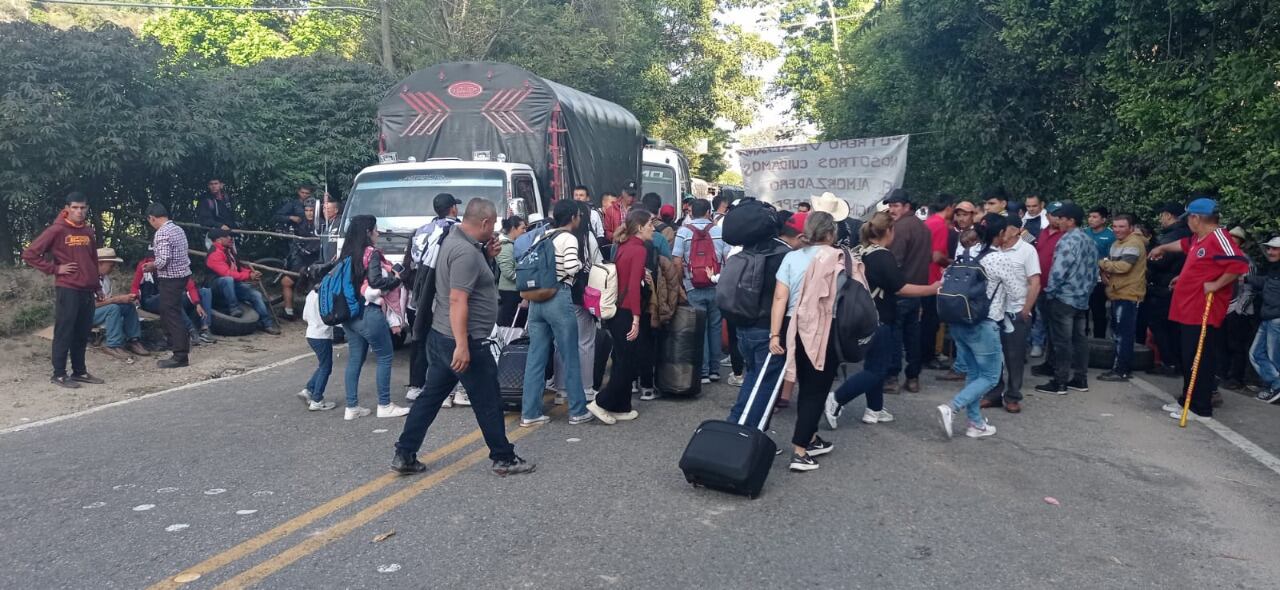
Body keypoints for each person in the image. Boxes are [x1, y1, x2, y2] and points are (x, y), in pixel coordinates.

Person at [392, 199, 536, 476]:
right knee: (488, 401)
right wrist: (462, 346)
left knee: (430, 397)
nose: (494, 228)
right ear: (483, 222)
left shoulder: (458, 241)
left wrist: (488, 257)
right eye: (492, 223)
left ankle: (405, 453)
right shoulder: (465, 254)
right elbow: (458, 299)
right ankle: (503, 457)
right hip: (465, 339)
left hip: (444, 335)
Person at [824, 212, 940, 429]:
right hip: (879, 318)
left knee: (874, 364)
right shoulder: (882, 256)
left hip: (858, 315)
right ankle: (837, 398)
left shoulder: (859, 251)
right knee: (878, 368)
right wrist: (932, 289)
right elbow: (901, 288)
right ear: (889, 231)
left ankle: (874, 409)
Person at [1148, 197, 1249, 421]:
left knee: (1199, 358)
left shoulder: (1219, 238)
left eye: (1189, 218)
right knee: (1187, 356)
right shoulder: (1198, 239)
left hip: (1203, 310)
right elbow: (1183, 247)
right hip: (1187, 308)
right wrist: (1164, 250)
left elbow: (1238, 264)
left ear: (1196, 218)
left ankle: (1201, 407)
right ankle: (1188, 399)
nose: (1188, 223)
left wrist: (1215, 284)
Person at [936, 214, 1025, 440]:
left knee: (975, 373)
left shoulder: (966, 252)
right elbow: (1017, 292)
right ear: (1001, 234)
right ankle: (952, 408)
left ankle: (976, 423)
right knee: (991, 376)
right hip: (984, 324)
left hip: (959, 321)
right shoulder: (999, 259)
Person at [770, 212, 841, 472]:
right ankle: (800, 450)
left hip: (792, 324)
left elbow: (780, 297)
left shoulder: (791, 257)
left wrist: (775, 334)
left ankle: (810, 437)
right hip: (825, 327)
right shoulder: (839, 259)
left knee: (804, 382)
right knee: (816, 388)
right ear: (831, 233)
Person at [519, 200, 594, 427]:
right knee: (569, 355)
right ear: (573, 217)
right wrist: (581, 265)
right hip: (559, 297)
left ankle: (530, 413)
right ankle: (578, 411)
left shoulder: (541, 236)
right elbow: (571, 266)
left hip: (536, 299)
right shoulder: (568, 238)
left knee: (536, 357)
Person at [726, 210, 802, 425]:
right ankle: (746, 437)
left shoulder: (751, 250)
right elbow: (783, 297)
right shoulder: (786, 257)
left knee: (753, 379)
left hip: (743, 325)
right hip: (768, 330)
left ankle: (736, 428)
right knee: (765, 386)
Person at [22, 192, 104, 387]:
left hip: (87, 289)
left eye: (83, 208)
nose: (79, 211)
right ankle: (58, 374)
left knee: (82, 332)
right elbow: (30, 254)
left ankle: (79, 371)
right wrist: (55, 269)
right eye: (75, 207)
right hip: (68, 288)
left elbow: (93, 260)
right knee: (64, 331)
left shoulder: (88, 231)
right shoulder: (57, 230)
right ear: (67, 208)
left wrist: (97, 286)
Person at [337, 215, 411, 421]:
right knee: (385, 356)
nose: (378, 233)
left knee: (355, 359)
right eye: (376, 230)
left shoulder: (346, 254)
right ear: (368, 232)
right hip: (369, 311)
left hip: (349, 314)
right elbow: (376, 282)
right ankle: (385, 404)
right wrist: (396, 281)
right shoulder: (371, 253)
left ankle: (352, 407)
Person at [587, 209, 654, 425]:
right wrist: (636, 317)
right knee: (626, 363)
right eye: (650, 224)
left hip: (617, 309)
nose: (653, 228)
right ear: (640, 227)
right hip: (626, 311)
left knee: (624, 359)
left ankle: (622, 406)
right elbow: (633, 286)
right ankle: (602, 402)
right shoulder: (639, 250)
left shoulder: (624, 246)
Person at [404, 193, 464, 406]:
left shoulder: (421, 230)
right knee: (448, 336)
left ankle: (415, 384)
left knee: (420, 336)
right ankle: (449, 388)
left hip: (420, 289)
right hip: (444, 287)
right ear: (452, 209)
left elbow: (411, 261)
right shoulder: (456, 229)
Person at [1035, 203, 1099, 395]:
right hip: (1082, 298)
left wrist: (1050, 291)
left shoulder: (1067, 241)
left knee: (1062, 341)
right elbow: (1094, 271)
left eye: (1062, 218)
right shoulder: (1090, 241)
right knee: (1080, 340)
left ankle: (1060, 381)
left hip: (1064, 298)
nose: (1059, 221)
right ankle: (1080, 378)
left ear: (1070, 220)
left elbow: (1058, 271)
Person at [979, 215, 1040, 413]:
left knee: (1014, 356)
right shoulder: (993, 251)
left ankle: (1013, 395)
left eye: (1006, 228)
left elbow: (1035, 282)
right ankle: (994, 393)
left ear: (1014, 230)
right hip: (994, 312)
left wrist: (1026, 309)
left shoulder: (1027, 250)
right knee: (993, 355)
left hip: (1016, 311)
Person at [552, 201, 604, 406]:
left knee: (561, 342)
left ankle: (561, 389)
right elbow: (597, 264)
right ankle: (586, 388)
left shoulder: (548, 235)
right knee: (585, 342)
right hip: (580, 295)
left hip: (553, 295)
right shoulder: (584, 236)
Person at [673, 198, 728, 383]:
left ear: (690, 212)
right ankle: (715, 369)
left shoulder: (683, 232)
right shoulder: (719, 231)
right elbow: (728, 258)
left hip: (692, 286)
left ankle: (702, 371)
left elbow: (677, 261)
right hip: (716, 285)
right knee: (715, 326)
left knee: (699, 328)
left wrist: (682, 283)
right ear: (708, 212)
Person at [883, 189, 931, 394]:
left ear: (906, 206)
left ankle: (893, 377)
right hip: (918, 289)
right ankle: (913, 377)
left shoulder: (900, 228)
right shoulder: (923, 227)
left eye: (895, 206)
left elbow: (896, 261)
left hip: (902, 289)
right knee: (912, 335)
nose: (891, 209)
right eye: (890, 206)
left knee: (896, 334)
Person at [1097, 213, 1147, 382]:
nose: (1117, 230)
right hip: (1117, 292)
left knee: (1124, 335)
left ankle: (1122, 370)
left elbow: (1124, 266)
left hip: (1129, 294)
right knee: (1118, 333)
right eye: (1115, 226)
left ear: (1131, 228)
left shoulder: (1133, 243)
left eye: (1122, 226)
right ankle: (1119, 368)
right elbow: (1113, 266)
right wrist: (1105, 270)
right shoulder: (1117, 243)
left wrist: (1101, 264)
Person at [1144, 202, 1191, 376]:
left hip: (1164, 287)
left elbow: (1160, 261)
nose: (1160, 219)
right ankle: (1176, 363)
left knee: (1161, 326)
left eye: (1162, 215)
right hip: (1176, 286)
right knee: (1173, 327)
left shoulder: (1172, 236)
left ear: (1169, 215)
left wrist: (1148, 257)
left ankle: (1170, 362)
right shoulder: (1187, 235)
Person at [144, 202, 193, 369]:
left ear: (152, 218)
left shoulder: (162, 233)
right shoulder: (178, 229)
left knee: (171, 313)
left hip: (170, 278)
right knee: (172, 311)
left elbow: (164, 260)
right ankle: (176, 345)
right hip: (182, 275)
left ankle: (180, 354)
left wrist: (152, 265)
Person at [205, 229, 281, 335]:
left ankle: (267, 324)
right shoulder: (214, 254)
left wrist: (251, 273)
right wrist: (248, 276)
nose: (231, 238)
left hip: (232, 285)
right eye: (227, 236)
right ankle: (234, 308)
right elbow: (227, 273)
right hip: (215, 287)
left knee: (256, 295)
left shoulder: (228, 250)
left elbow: (238, 269)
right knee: (227, 280)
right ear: (219, 240)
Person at [133, 249, 216, 346]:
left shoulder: (174, 266)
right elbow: (135, 286)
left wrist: (197, 303)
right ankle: (191, 330)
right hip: (152, 300)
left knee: (205, 292)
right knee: (170, 296)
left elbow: (190, 286)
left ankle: (205, 329)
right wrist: (136, 297)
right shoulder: (143, 266)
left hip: (173, 297)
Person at [92, 248, 150, 361]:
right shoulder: (87, 279)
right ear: (100, 263)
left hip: (100, 310)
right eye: (111, 265)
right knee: (112, 308)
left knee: (128, 306)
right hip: (85, 314)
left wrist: (124, 299)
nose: (113, 268)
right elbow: (90, 305)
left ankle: (133, 340)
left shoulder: (106, 279)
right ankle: (112, 345)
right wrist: (116, 299)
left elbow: (105, 299)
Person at [1030, 202, 1066, 365]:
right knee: (1039, 316)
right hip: (1040, 282)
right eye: (1053, 214)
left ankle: (1051, 351)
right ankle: (1037, 343)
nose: (1057, 218)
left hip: (1057, 285)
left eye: (1060, 215)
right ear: (1047, 216)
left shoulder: (1065, 235)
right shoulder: (1042, 233)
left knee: (1055, 319)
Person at [295, 271, 337, 412]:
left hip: (311, 333)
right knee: (326, 367)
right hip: (322, 335)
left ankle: (309, 389)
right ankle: (317, 399)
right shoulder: (325, 296)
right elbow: (331, 317)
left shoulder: (311, 295)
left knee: (323, 365)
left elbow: (305, 316)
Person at [921, 197, 953, 370]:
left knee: (926, 318)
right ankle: (928, 356)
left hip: (923, 275)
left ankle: (924, 354)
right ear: (948, 208)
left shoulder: (929, 222)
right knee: (931, 320)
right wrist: (951, 262)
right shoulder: (940, 225)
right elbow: (937, 256)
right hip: (933, 278)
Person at [279, 198, 320, 321]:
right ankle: (289, 312)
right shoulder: (300, 223)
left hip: (315, 261)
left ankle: (315, 316)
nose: (309, 213)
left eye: (311, 210)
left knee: (314, 288)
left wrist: (309, 250)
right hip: (301, 259)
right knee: (286, 281)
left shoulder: (322, 224)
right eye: (306, 210)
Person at [1251, 236, 1280, 403]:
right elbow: (1266, 282)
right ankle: (1276, 385)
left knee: (1273, 357)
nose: (1270, 251)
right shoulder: (1273, 268)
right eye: (1269, 248)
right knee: (1255, 354)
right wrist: (1245, 278)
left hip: (1276, 319)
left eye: (1275, 248)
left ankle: (1276, 387)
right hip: (1267, 317)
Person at [1085, 206, 1116, 337]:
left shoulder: (1111, 236)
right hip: (1083, 279)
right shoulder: (1084, 232)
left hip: (1099, 280)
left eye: (1094, 217)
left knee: (1098, 311)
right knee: (1082, 311)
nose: (1091, 219)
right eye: (1090, 216)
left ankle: (1100, 340)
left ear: (1103, 219)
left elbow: (1111, 258)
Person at [495, 215, 527, 328]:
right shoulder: (506, 246)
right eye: (522, 228)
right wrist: (524, 279)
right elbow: (508, 272)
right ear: (513, 228)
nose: (525, 231)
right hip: (510, 292)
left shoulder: (514, 245)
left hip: (515, 290)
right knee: (509, 324)